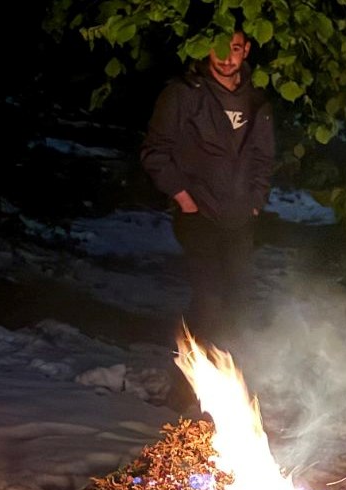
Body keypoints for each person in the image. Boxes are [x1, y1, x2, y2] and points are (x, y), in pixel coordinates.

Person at [141, 31, 275, 349]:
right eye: (219, 48)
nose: (226, 58)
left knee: (239, 301)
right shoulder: (185, 94)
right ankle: (191, 385)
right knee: (209, 300)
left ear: (247, 50)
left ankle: (233, 380)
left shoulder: (256, 99)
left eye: (235, 49)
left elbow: (263, 156)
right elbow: (154, 152)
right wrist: (184, 199)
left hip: (240, 218)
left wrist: (256, 201)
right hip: (198, 215)